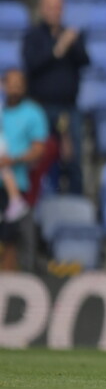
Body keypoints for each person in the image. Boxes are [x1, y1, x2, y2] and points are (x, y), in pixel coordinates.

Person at [22, 0, 89, 194]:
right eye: (50, 6)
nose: (54, 11)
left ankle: (77, 202)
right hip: (39, 109)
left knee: (72, 159)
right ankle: (36, 202)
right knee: (39, 160)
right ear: (42, 8)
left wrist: (71, 43)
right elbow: (32, 65)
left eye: (58, 7)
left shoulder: (71, 35)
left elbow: (85, 61)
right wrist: (57, 49)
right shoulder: (33, 35)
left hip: (67, 109)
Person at [0, 69, 48, 271]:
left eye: (18, 85)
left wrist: (13, 159)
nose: (14, 89)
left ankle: (7, 281)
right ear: (3, 85)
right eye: (11, 84)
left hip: (18, 185)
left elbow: (39, 149)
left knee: (10, 238)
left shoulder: (33, 113)